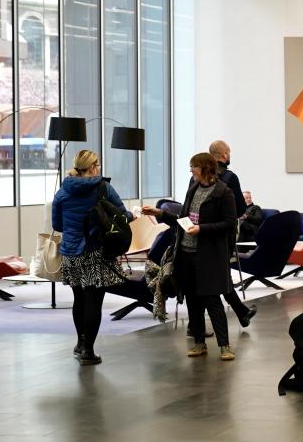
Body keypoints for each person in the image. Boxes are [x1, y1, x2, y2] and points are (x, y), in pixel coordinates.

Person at [143, 152, 238, 361]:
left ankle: (225, 346)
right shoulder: (193, 188)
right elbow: (183, 220)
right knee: (193, 300)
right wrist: (159, 214)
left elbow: (230, 223)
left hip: (209, 256)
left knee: (212, 300)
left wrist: (201, 229)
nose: (191, 170)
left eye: (193, 167)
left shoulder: (224, 193)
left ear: (205, 168)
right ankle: (199, 343)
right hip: (185, 254)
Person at [52, 149, 132, 366]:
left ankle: (80, 342)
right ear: (94, 166)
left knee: (79, 299)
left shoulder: (62, 192)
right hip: (96, 251)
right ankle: (88, 350)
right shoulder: (103, 188)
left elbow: (57, 225)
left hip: (71, 253)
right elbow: (123, 215)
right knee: (93, 301)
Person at [205, 140, 255, 328]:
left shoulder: (200, 175)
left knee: (216, 273)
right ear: (224, 154)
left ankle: (242, 312)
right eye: (229, 152)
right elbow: (241, 207)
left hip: (201, 232)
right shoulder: (230, 177)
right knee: (218, 274)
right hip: (223, 233)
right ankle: (194, 326)